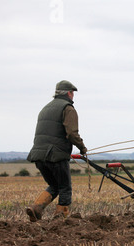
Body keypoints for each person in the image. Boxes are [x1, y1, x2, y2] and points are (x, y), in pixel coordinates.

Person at [26, 80, 87, 222]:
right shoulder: (68, 108)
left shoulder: (45, 108)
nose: (73, 96)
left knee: (54, 185)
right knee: (65, 187)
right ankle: (60, 219)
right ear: (69, 93)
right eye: (73, 93)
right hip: (56, 155)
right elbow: (72, 134)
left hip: (38, 155)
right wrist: (82, 148)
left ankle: (36, 209)